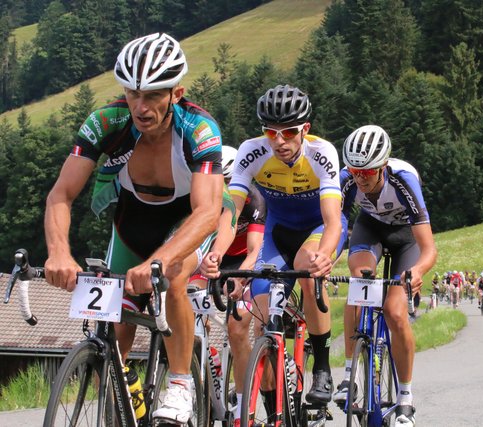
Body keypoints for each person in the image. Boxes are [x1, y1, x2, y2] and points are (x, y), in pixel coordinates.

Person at [43, 33, 227, 423]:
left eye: (153, 95)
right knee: (116, 311)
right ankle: (122, 387)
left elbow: (209, 211)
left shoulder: (199, 128)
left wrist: (157, 261)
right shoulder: (106, 122)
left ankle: (180, 384)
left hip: (187, 218)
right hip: (133, 217)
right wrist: (58, 252)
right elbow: (61, 194)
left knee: (173, 276)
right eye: (132, 94)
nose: (141, 107)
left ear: (176, 94)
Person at [227, 84, 347, 406]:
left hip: (318, 228)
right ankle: (272, 404)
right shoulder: (251, 151)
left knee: (309, 272)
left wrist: (324, 256)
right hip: (276, 232)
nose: (279, 141)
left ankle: (322, 366)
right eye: (270, 132)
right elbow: (231, 212)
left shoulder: (322, 153)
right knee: (264, 314)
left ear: (305, 129)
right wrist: (215, 254)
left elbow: (334, 220)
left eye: (289, 132)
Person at [336, 125, 437, 427]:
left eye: (367, 172)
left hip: (406, 237)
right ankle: (349, 375)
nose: (359, 178)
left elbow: (429, 248)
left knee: (395, 312)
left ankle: (405, 399)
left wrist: (417, 271)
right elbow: (335, 224)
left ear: (383, 166)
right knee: (360, 281)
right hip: (371, 227)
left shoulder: (403, 180)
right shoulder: (346, 181)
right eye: (354, 171)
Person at [195, 145, 266, 425]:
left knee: (237, 328)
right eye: (218, 182)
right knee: (188, 310)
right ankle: (202, 369)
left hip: (244, 262)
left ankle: (243, 405)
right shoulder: (204, 196)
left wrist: (242, 276)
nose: (224, 188)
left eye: (228, 181)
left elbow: (254, 251)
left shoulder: (254, 199)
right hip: (214, 258)